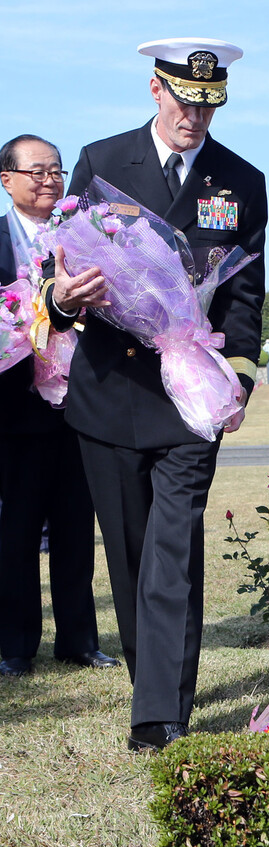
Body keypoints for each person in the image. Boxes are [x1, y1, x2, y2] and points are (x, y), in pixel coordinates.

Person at [47, 38, 267, 750]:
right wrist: (63, 295)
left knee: (174, 549)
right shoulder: (103, 160)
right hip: (109, 390)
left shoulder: (241, 179)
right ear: (154, 90)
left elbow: (242, 294)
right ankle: (153, 675)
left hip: (187, 397)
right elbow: (65, 261)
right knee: (132, 550)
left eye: (209, 105)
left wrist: (236, 375)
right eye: (183, 101)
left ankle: (160, 714)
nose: (194, 118)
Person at [0, 135, 111, 677]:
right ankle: (15, 646)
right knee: (15, 530)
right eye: (36, 171)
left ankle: (80, 640)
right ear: (7, 180)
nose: (48, 180)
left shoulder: (87, 239)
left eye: (56, 171)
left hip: (80, 403)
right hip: (15, 409)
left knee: (75, 527)